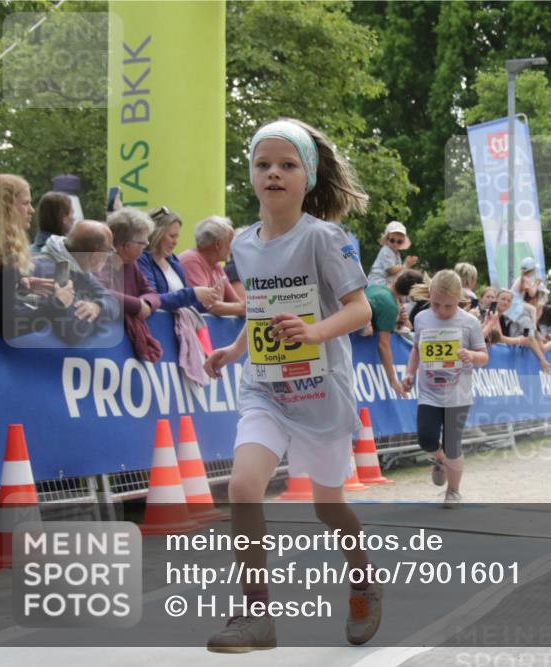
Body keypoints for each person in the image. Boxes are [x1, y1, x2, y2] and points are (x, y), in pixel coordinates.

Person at [202, 118, 380, 651]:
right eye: (263, 165)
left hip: (321, 393)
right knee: (243, 487)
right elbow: (261, 307)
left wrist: (314, 332)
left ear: (309, 177)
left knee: (327, 507)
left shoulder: (325, 238)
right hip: (266, 389)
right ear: (251, 176)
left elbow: (361, 310)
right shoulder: (243, 244)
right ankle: (257, 615)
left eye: (287, 165)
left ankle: (364, 583)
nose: (273, 173)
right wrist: (236, 349)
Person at [402, 270, 488, 509]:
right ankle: (439, 459)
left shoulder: (469, 322)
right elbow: (416, 349)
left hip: (458, 394)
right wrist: (409, 373)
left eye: (448, 306)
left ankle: (453, 491)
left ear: (459, 298)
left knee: (452, 445)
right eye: (436, 304)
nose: (441, 311)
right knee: (427, 439)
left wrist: (471, 355)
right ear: (430, 295)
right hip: (429, 392)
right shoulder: (421, 318)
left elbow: (484, 356)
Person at [0, 174, 74, 339]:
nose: (32, 210)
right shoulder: (1, 254)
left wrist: (19, 286)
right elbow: (9, 327)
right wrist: (57, 304)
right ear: (6, 208)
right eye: (26, 203)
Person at [33, 220, 121, 342]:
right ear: (96, 254)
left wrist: (97, 307)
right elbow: (77, 330)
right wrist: (98, 320)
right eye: (109, 251)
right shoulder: (52, 270)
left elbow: (113, 303)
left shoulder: (79, 267)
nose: (110, 256)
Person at [104, 209, 163, 361]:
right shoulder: (100, 261)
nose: (147, 244)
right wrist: (137, 306)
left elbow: (152, 293)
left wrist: (147, 304)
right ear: (126, 245)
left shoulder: (132, 264)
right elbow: (99, 292)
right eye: (142, 242)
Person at [137, 206, 221, 312]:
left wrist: (204, 302)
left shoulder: (173, 260)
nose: (175, 242)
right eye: (172, 236)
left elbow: (186, 304)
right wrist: (193, 294)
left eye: (177, 237)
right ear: (156, 234)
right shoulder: (142, 259)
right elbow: (151, 299)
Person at [179, 216, 245, 317]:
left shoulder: (216, 266)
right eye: (230, 241)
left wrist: (243, 308)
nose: (232, 247)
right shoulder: (191, 260)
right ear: (218, 244)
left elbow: (236, 302)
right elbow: (207, 305)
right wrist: (244, 308)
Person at [362, 281, 409, 397]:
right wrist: (393, 380)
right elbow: (383, 344)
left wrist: (399, 322)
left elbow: (408, 327)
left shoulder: (375, 287)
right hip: (355, 330)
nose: (402, 307)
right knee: (367, 330)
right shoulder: (390, 306)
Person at [367, 220, 417, 286]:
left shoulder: (397, 254)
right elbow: (391, 270)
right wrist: (405, 265)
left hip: (386, 283)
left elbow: (399, 272)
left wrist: (407, 265)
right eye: (392, 240)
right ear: (386, 239)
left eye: (399, 241)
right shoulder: (386, 250)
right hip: (377, 282)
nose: (395, 244)